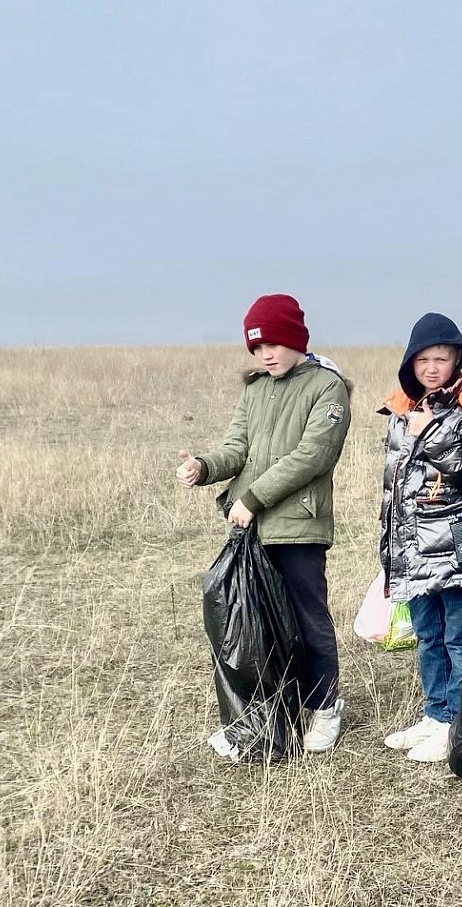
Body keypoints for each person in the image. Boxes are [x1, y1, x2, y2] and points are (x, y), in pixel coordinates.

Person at [177, 294, 352, 757]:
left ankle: (326, 707)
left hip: (298, 527)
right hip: (250, 529)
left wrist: (252, 499)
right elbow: (238, 448)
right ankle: (272, 712)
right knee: (260, 625)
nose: (265, 354)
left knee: (307, 617)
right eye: (256, 348)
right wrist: (205, 468)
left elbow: (313, 455)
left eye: (272, 343)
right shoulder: (254, 390)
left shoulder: (326, 387)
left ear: (295, 339)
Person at [375, 312, 462, 764]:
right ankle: (435, 713)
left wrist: (432, 439)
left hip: (457, 549)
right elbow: (395, 485)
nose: (431, 367)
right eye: (422, 359)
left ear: (456, 360)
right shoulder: (401, 410)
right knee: (427, 635)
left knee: (459, 638)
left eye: (440, 358)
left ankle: (457, 723)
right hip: (411, 551)